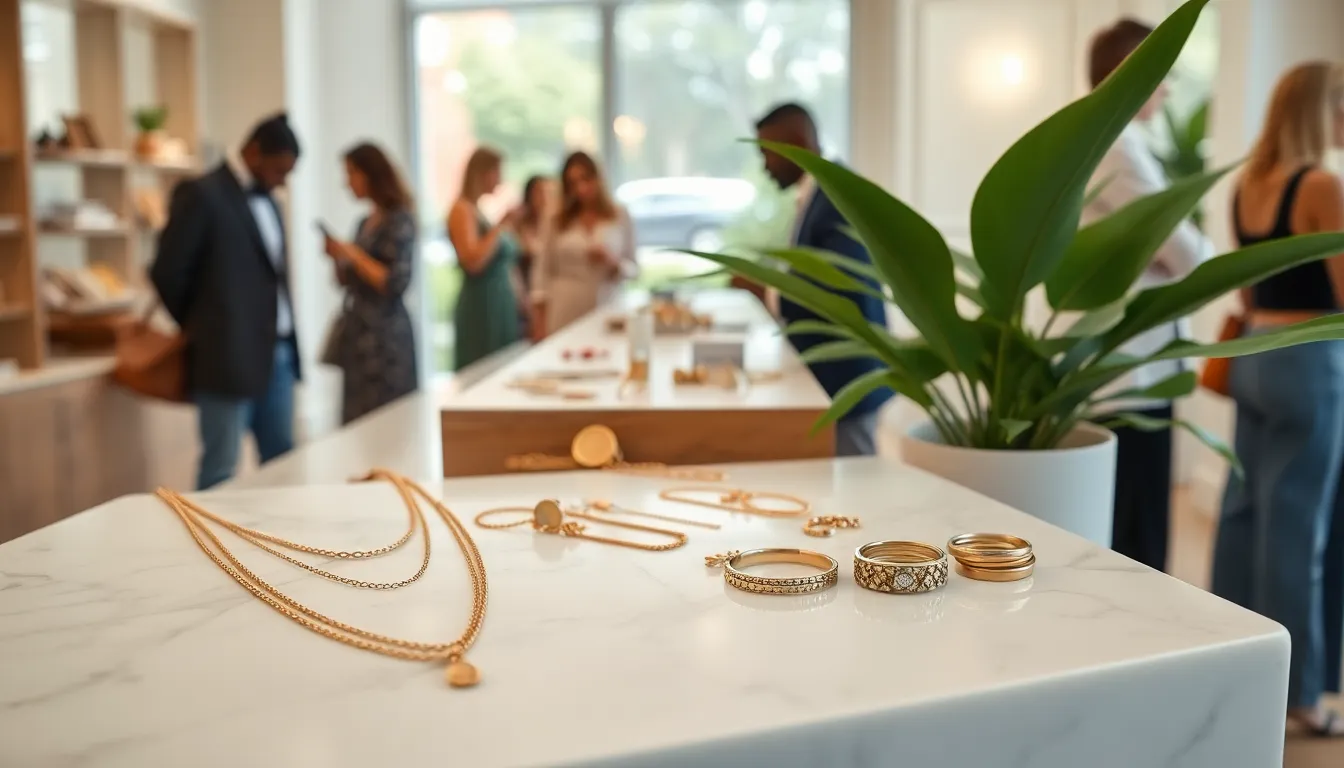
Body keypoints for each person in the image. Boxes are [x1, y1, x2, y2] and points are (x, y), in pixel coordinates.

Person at [1213, 61, 1344, 738]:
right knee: (1298, 526)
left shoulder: (1247, 184)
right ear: (1323, 110)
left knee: (1243, 514)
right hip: (1307, 360)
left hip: (1254, 354)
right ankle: (1301, 699)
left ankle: (1233, 667)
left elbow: (1248, 288)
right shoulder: (1321, 184)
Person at [1083, 18, 1213, 572]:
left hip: (1128, 363)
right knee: (1136, 536)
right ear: (1133, 72)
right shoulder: (1118, 145)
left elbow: (1172, 250)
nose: (1168, 88)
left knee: (1131, 525)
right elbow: (1190, 256)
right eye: (1162, 73)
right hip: (1130, 371)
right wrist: (1172, 252)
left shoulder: (1107, 137)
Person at [150, 113, 301, 490]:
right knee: (221, 467)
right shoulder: (202, 194)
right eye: (280, 170)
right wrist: (204, 327)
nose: (283, 181)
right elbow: (167, 271)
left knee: (283, 463)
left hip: (277, 353)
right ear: (254, 153)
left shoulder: (271, 202)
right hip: (224, 355)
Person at [755, 102, 891, 456]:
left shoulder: (836, 193)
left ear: (797, 142)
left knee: (857, 478)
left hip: (848, 376)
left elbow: (838, 286)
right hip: (835, 378)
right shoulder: (819, 192)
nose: (764, 166)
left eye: (767, 153)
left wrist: (764, 290)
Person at [322, 142, 419, 425]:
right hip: (359, 335)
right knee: (358, 421)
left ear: (370, 174)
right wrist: (337, 258)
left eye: (351, 173)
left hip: (387, 339)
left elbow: (395, 282)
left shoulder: (399, 220)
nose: (347, 182)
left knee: (389, 420)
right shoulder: (364, 223)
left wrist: (354, 254)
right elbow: (347, 281)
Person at [532, 151, 636, 336]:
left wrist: (612, 262)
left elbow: (634, 268)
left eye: (586, 179)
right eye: (572, 184)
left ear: (598, 178)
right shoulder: (555, 218)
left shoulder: (619, 215)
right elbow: (541, 271)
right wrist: (539, 320)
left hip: (606, 305)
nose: (581, 189)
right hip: (565, 308)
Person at [448, 147, 522, 369]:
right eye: (497, 172)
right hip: (481, 307)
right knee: (481, 369)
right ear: (482, 173)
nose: (500, 179)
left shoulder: (478, 211)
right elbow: (473, 262)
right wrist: (501, 226)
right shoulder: (461, 209)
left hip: (498, 304)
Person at [515, 175, 552, 340]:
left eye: (547, 192)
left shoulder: (556, 225)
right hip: (524, 299)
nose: (543, 197)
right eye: (538, 192)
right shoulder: (520, 226)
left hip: (551, 300)